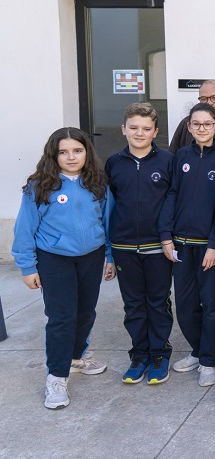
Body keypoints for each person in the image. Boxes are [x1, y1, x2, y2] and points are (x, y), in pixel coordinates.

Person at [12, 127, 115, 409]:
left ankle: (78, 356)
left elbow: (106, 222)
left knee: (85, 311)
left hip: (91, 257)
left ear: (86, 153)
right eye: (64, 152)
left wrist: (109, 256)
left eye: (77, 151)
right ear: (53, 155)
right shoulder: (40, 186)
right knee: (61, 317)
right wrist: (27, 266)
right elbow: (25, 227)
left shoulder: (97, 182)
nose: (71, 157)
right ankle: (56, 376)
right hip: (54, 258)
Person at [158, 103, 215, 387]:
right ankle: (196, 349)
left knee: (210, 304)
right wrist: (166, 235)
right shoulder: (180, 157)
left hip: (209, 247)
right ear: (189, 127)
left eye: (207, 124)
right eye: (196, 124)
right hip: (181, 244)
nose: (202, 128)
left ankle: (208, 360)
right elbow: (172, 194)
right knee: (186, 304)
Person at [105, 103, 174, 385]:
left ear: (155, 131)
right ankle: (139, 354)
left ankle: (159, 353)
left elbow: (173, 202)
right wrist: (109, 253)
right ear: (124, 130)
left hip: (157, 247)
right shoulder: (113, 163)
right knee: (133, 304)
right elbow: (109, 207)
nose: (139, 133)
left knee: (157, 302)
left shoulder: (167, 161)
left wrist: (167, 237)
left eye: (146, 129)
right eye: (133, 128)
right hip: (123, 247)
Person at [170, 80, 215, 152]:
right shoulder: (187, 122)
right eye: (203, 99)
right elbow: (173, 154)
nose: (209, 102)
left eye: (214, 97)